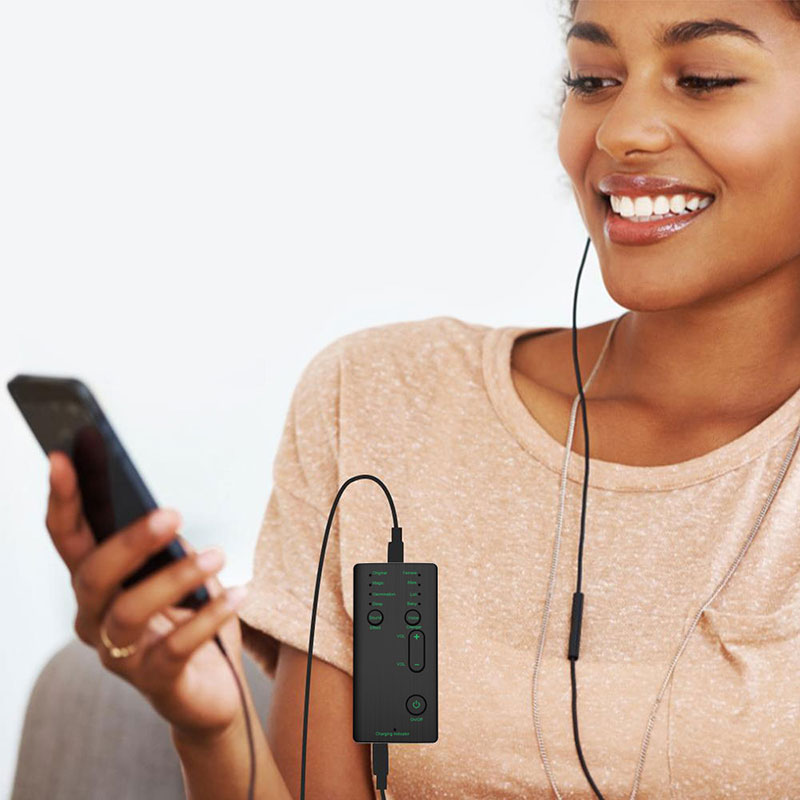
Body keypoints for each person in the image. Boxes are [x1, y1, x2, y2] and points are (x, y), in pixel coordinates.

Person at [44, 1, 800, 798]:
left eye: (704, 79)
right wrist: (212, 728)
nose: (620, 132)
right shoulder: (385, 405)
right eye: (592, 80)